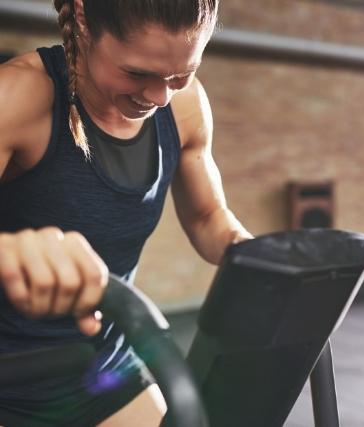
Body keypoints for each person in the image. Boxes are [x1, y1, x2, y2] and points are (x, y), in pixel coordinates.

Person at [0, 0, 252, 426]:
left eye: (179, 75)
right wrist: (9, 250)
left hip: (104, 368)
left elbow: (208, 217)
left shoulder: (185, 106)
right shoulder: (18, 96)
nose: (159, 96)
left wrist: (254, 256)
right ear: (82, 17)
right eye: (137, 73)